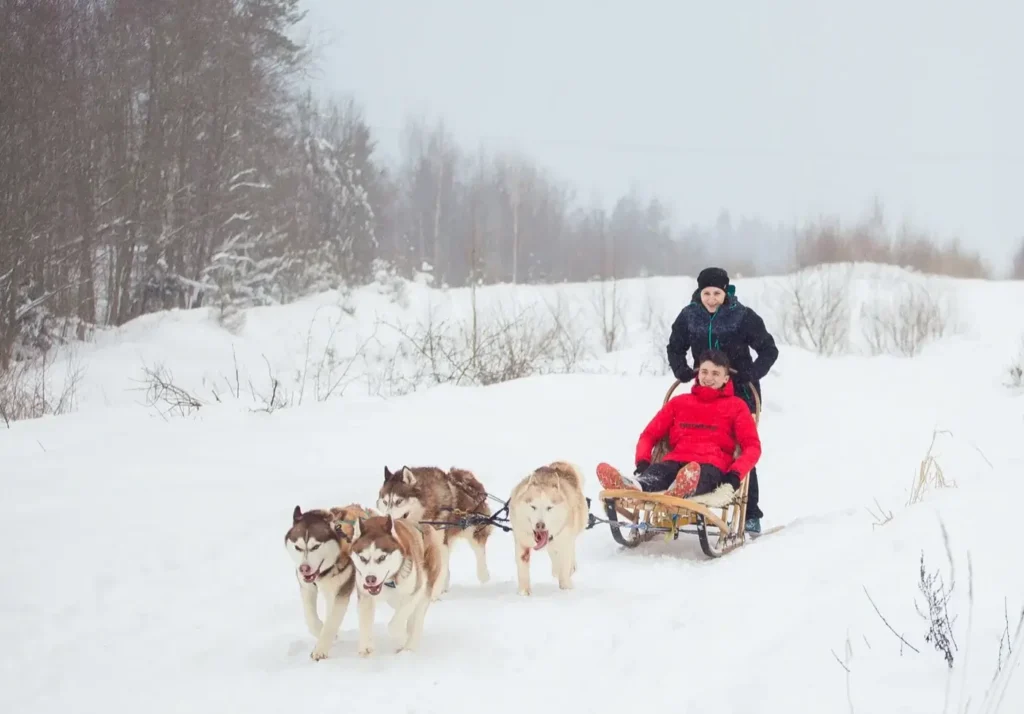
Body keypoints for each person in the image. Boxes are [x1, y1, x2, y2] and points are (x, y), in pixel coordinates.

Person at [665, 267, 778, 533]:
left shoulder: (742, 316)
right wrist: (680, 368)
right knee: (699, 440)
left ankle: (750, 512)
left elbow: (768, 349)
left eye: (717, 293)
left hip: (740, 390)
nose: (712, 299)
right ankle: (687, 491)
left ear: (726, 292)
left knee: (739, 448)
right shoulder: (689, 316)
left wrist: (752, 373)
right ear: (699, 293)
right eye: (707, 293)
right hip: (706, 388)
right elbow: (674, 346)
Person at [595, 350, 761, 509]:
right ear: (698, 374)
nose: (708, 377)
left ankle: (681, 488)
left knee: (697, 475)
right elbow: (649, 435)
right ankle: (634, 485)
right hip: (676, 460)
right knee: (659, 472)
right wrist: (643, 462)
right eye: (704, 371)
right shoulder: (679, 403)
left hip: (712, 465)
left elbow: (752, 447)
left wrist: (734, 475)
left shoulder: (737, 406)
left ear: (726, 378)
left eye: (715, 373)